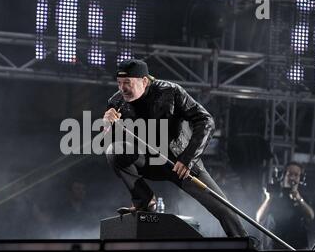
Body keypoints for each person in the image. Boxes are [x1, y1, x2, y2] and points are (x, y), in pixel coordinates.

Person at [103, 59, 247, 238]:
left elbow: (205, 121)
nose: (122, 89)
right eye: (119, 83)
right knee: (114, 151)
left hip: (179, 162)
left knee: (221, 207)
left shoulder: (170, 92)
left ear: (144, 81)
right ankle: (145, 201)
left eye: (127, 83)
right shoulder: (116, 102)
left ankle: (244, 244)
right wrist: (107, 125)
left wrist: (188, 158)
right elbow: (110, 144)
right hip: (148, 161)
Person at [256, 162, 315, 249]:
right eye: (290, 174)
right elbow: (259, 218)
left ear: (300, 178)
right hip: (276, 245)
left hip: (298, 246)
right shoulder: (274, 195)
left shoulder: (303, 195)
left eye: (296, 175)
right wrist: (268, 198)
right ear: (283, 175)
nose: (292, 177)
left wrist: (299, 199)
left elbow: (311, 216)